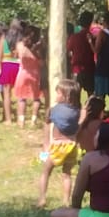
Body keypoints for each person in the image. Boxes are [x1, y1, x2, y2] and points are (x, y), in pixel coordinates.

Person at [37, 79, 84, 209]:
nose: (56, 95)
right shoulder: (77, 111)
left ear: (66, 96)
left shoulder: (54, 110)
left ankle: (42, 199)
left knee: (46, 171)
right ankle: (66, 201)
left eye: (58, 93)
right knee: (67, 174)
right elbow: (77, 128)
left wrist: (45, 144)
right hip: (72, 146)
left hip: (57, 146)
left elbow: (47, 125)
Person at [14, 24, 43, 128]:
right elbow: (41, 62)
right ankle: (33, 120)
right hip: (35, 73)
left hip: (23, 72)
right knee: (36, 98)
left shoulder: (20, 45)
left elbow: (17, 55)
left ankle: (21, 121)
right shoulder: (38, 46)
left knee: (22, 98)